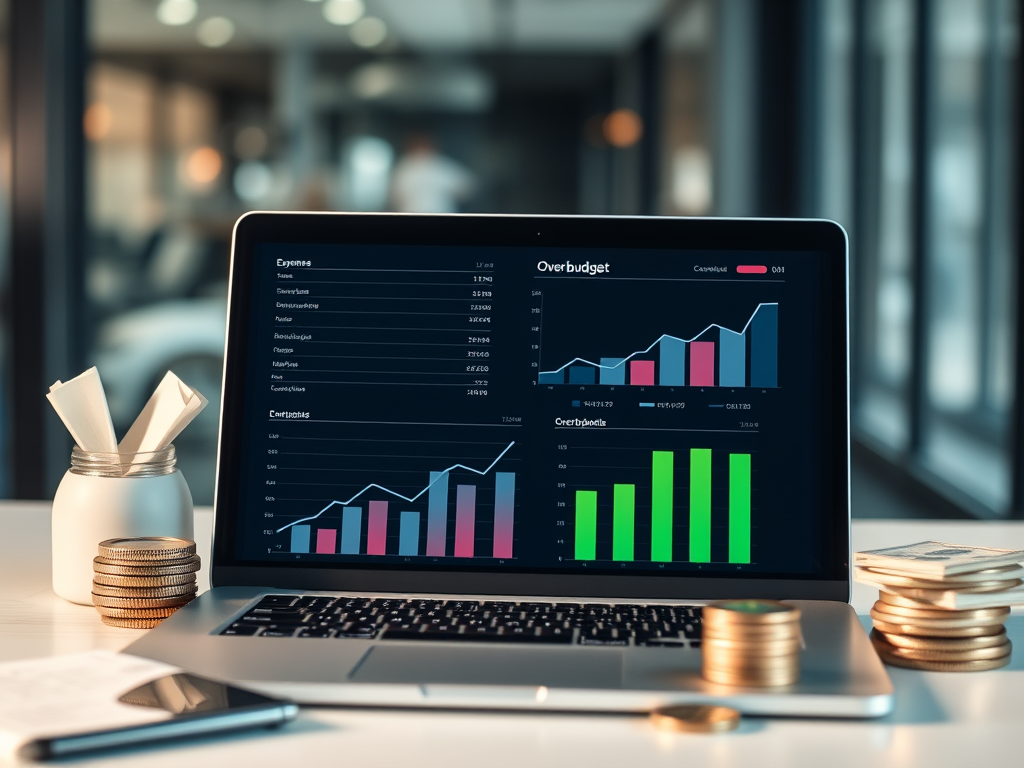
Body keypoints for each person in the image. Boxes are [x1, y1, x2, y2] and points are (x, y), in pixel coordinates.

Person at [390, 133, 475, 213]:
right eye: (418, 145)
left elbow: (468, 188)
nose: (421, 149)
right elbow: (394, 197)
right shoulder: (403, 168)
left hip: (442, 216)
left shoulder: (441, 164)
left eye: (423, 144)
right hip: (412, 215)